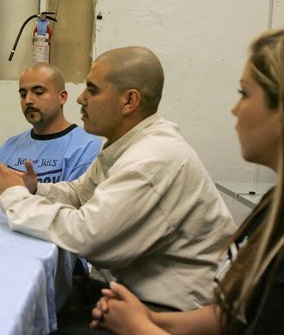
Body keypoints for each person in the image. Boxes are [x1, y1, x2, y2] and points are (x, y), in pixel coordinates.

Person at [0, 46, 236, 313]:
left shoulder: (151, 159)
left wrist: (15, 197)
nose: (81, 99)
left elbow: (86, 236)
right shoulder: (127, 145)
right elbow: (79, 193)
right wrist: (35, 189)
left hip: (168, 310)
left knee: (13, 311)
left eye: (92, 90)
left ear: (129, 101)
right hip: (125, 289)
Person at [90, 29, 284, 334]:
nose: (235, 109)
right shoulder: (274, 205)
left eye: (244, 94)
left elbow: (91, 237)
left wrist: (139, 327)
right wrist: (148, 318)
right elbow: (228, 316)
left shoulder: (156, 155)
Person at [0, 62, 102, 192]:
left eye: (38, 92)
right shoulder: (10, 146)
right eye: (23, 94)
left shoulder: (86, 147)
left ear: (62, 97)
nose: (28, 100)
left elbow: (75, 205)